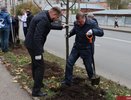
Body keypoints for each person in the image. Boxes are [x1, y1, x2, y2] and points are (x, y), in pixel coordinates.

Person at [24, 7, 67, 97]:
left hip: (30, 44)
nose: (57, 19)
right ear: (54, 14)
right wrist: (39, 52)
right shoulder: (43, 19)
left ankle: (38, 83)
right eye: (57, 17)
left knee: (35, 64)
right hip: (34, 46)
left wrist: (60, 27)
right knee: (40, 67)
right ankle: (36, 91)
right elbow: (37, 36)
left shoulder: (44, 14)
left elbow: (48, 25)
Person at [61, 12, 104, 86]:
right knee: (69, 63)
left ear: (84, 19)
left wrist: (93, 31)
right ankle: (67, 81)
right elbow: (75, 30)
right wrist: (69, 34)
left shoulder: (91, 23)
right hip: (77, 47)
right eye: (78, 22)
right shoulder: (77, 23)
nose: (79, 24)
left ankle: (92, 79)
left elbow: (101, 32)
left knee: (88, 66)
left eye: (81, 22)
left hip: (87, 48)